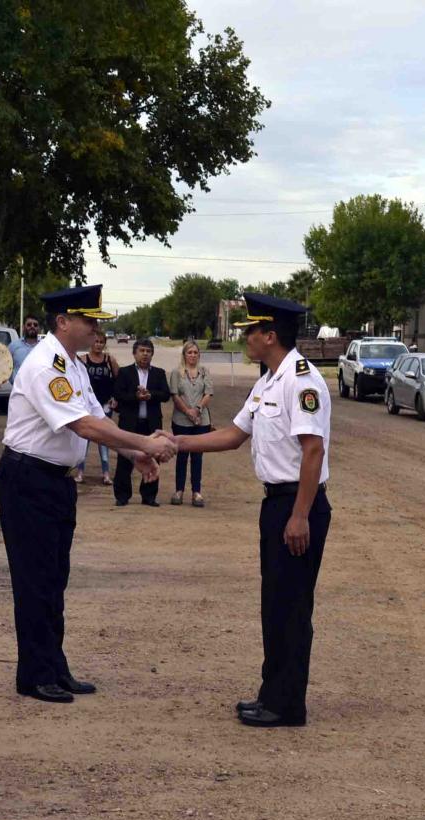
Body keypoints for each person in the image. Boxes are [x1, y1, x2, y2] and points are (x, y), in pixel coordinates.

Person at [0, 284, 176, 703]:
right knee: (35, 580)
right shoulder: (46, 365)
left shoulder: (72, 365)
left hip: (55, 482)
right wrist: (146, 443)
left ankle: (54, 666)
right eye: (88, 321)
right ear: (63, 322)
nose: (96, 329)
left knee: (54, 578)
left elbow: (97, 416)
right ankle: (35, 674)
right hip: (29, 480)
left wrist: (134, 454)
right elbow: (82, 425)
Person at [173, 292, 332, 727]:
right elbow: (233, 434)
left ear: (271, 335)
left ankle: (287, 705)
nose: (246, 337)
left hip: (298, 505)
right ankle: (271, 694)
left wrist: (300, 515)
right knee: (274, 604)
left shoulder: (302, 380)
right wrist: (177, 442)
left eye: (251, 331)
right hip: (276, 503)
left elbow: (313, 451)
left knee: (292, 608)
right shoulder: (268, 382)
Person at [112, 337, 172, 507]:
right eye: (142, 351)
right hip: (130, 423)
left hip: (151, 423)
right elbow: (118, 394)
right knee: (125, 459)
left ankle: (149, 495)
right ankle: (122, 496)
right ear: (134, 353)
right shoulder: (125, 372)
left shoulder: (159, 373)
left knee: (153, 458)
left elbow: (166, 395)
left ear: (152, 354)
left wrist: (150, 395)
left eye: (148, 351)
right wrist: (136, 397)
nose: (145, 354)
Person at [168, 339, 214, 507]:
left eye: (195, 352)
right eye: (189, 352)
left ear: (199, 355)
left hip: (201, 420)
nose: (192, 355)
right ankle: (179, 490)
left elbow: (208, 393)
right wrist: (188, 412)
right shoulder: (176, 372)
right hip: (181, 420)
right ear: (184, 354)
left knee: (197, 456)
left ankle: (196, 492)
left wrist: (198, 409)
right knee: (182, 455)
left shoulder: (204, 372)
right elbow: (175, 395)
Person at [75, 329, 118, 484]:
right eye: (96, 342)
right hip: (87, 406)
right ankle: (80, 472)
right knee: (84, 439)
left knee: (103, 439)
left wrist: (114, 397)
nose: (98, 345)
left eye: (101, 342)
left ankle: (106, 473)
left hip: (105, 405)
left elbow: (117, 380)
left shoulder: (109, 360)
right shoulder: (82, 360)